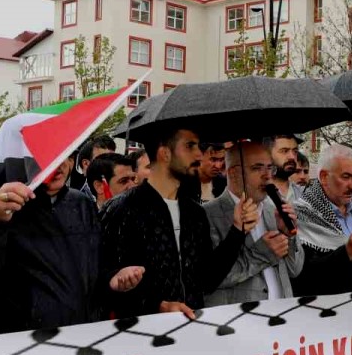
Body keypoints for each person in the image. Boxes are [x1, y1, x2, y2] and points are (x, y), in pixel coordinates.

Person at [0, 154, 116, 335]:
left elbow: (91, 265)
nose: (58, 164)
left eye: (65, 154)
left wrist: (112, 278)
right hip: (17, 344)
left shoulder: (81, 203)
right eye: (46, 154)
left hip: (77, 336)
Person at [99, 128, 253, 319]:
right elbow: (101, 282)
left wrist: (237, 230)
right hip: (143, 337)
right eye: (189, 146)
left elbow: (207, 280)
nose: (198, 154)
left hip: (192, 328)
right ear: (165, 153)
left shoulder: (195, 213)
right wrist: (158, 305)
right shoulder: (123, 209)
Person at [202, 142, 304, 306]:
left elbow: (295, 270)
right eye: (257, 168)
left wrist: (289, 236)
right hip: (240, 324)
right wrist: (262, 253)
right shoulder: (207, 215)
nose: (267, 176)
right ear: (234, 173)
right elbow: (208, 281)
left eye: (270, 168)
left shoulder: (274, 210)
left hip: (283, 318)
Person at [291, 145, 352, 296]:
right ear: (323, 177)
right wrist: (348, 252)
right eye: (346, 177)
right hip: (334, 312)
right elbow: (303, 276)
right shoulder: (300, 215)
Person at [264, 134, 304, 204]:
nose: (292, 157)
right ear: (267, 154)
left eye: (295, 151)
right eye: (284, 151)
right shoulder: (255, 195)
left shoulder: (303, 193)